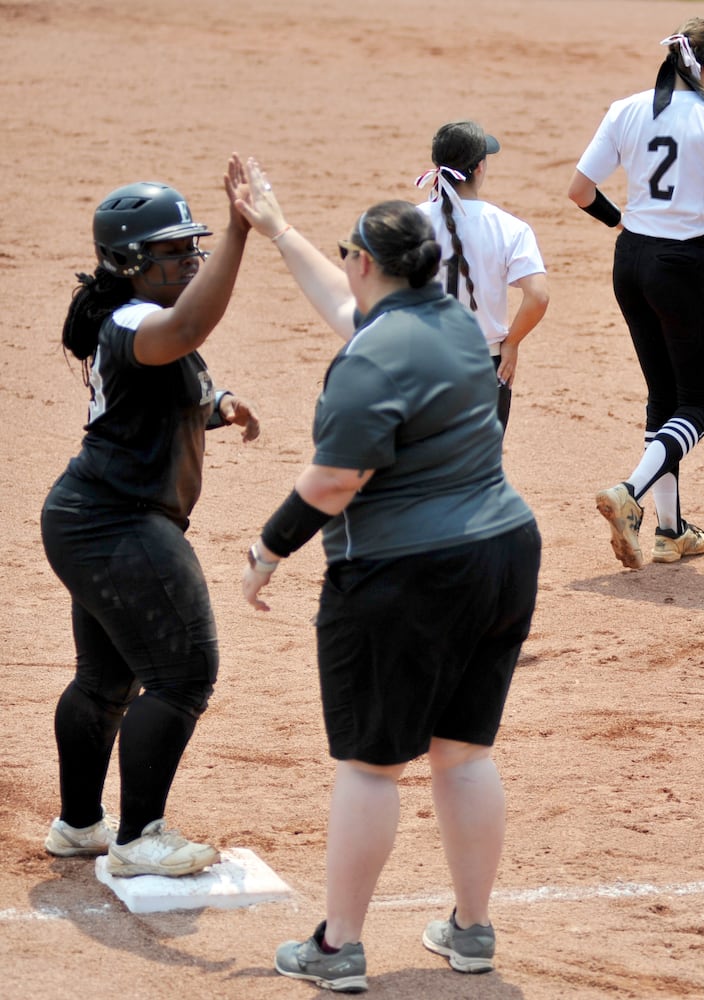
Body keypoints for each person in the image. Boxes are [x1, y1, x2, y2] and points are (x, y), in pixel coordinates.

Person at [235, 158, 541, 991]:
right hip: (504, 553)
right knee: (464, 755)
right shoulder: (450, 322)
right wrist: (276, 227)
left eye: (346, 255)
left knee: (371, 765)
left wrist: (267, 551)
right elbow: (347, 310)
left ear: (366, 263)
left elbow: (336, 481)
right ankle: (471, 932)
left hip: (409, 572)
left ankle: (336, 949)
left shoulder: (370, 360)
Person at [41, 155, 260, 877]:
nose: (189, 261)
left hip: (95, 518)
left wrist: (217, 406)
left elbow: (173, 378)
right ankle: (139, 838)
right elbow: (187, 328)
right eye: (172, 252)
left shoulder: (133, 318)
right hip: (116, 523)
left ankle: (81, 826)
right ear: (129, 261)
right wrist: (238, 231)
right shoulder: (137, 319)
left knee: (105, 682)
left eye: (192, 247)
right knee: (183, 674)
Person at [568, 18, 704, 569]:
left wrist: (623, 222)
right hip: (681, 263)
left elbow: (580, 191)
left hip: (631, 261)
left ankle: (671, 532)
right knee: (700, 406)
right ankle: (630, 491)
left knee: (664, 398)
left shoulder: (626, 107)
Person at [415, 120, 549, 431]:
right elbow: (538, 296)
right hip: (485, 364)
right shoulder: (509, 227)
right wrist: (511, 343)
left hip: (422, 361)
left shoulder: (410, 221)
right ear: (479, 168)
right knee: (478, 469)